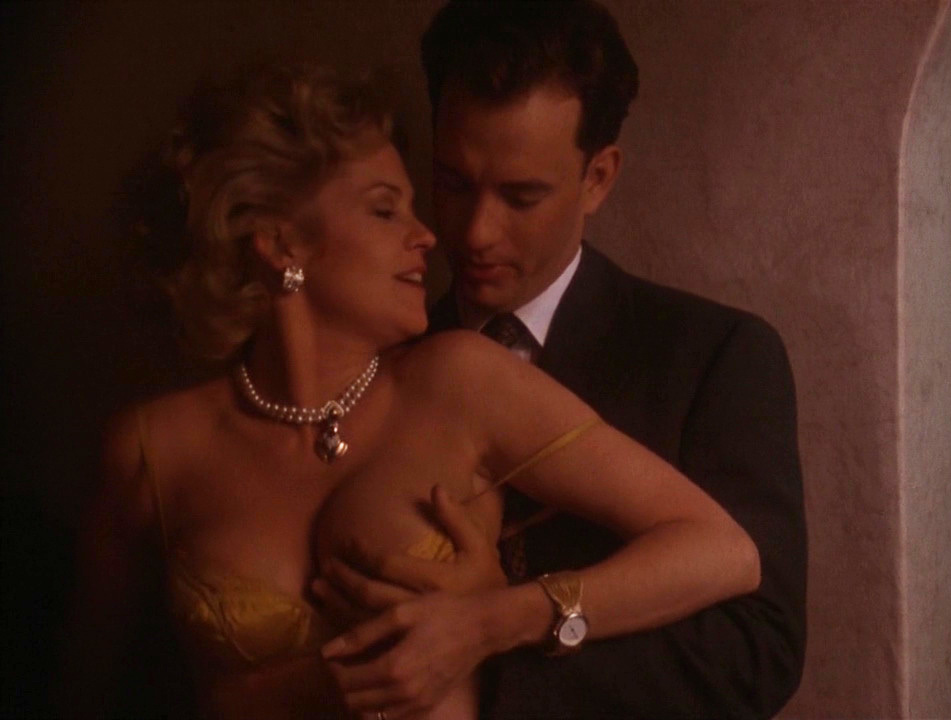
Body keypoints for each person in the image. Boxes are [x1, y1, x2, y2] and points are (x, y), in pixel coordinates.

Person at [60, 61, 761, 720]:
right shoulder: (150, 450)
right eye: (384, 210)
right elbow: (87, 695)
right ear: (280, 244)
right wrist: (296, 687)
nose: (429, 235)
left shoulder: (460, 380)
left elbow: (723, 550)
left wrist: (498, 618)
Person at [318, 1, 808, 717]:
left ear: (598, 177)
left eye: (521, 197)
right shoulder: (376, 356)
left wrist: (499, 637)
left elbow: (758, 649)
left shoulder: (714, 356)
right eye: (453, 184)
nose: (476, 232)